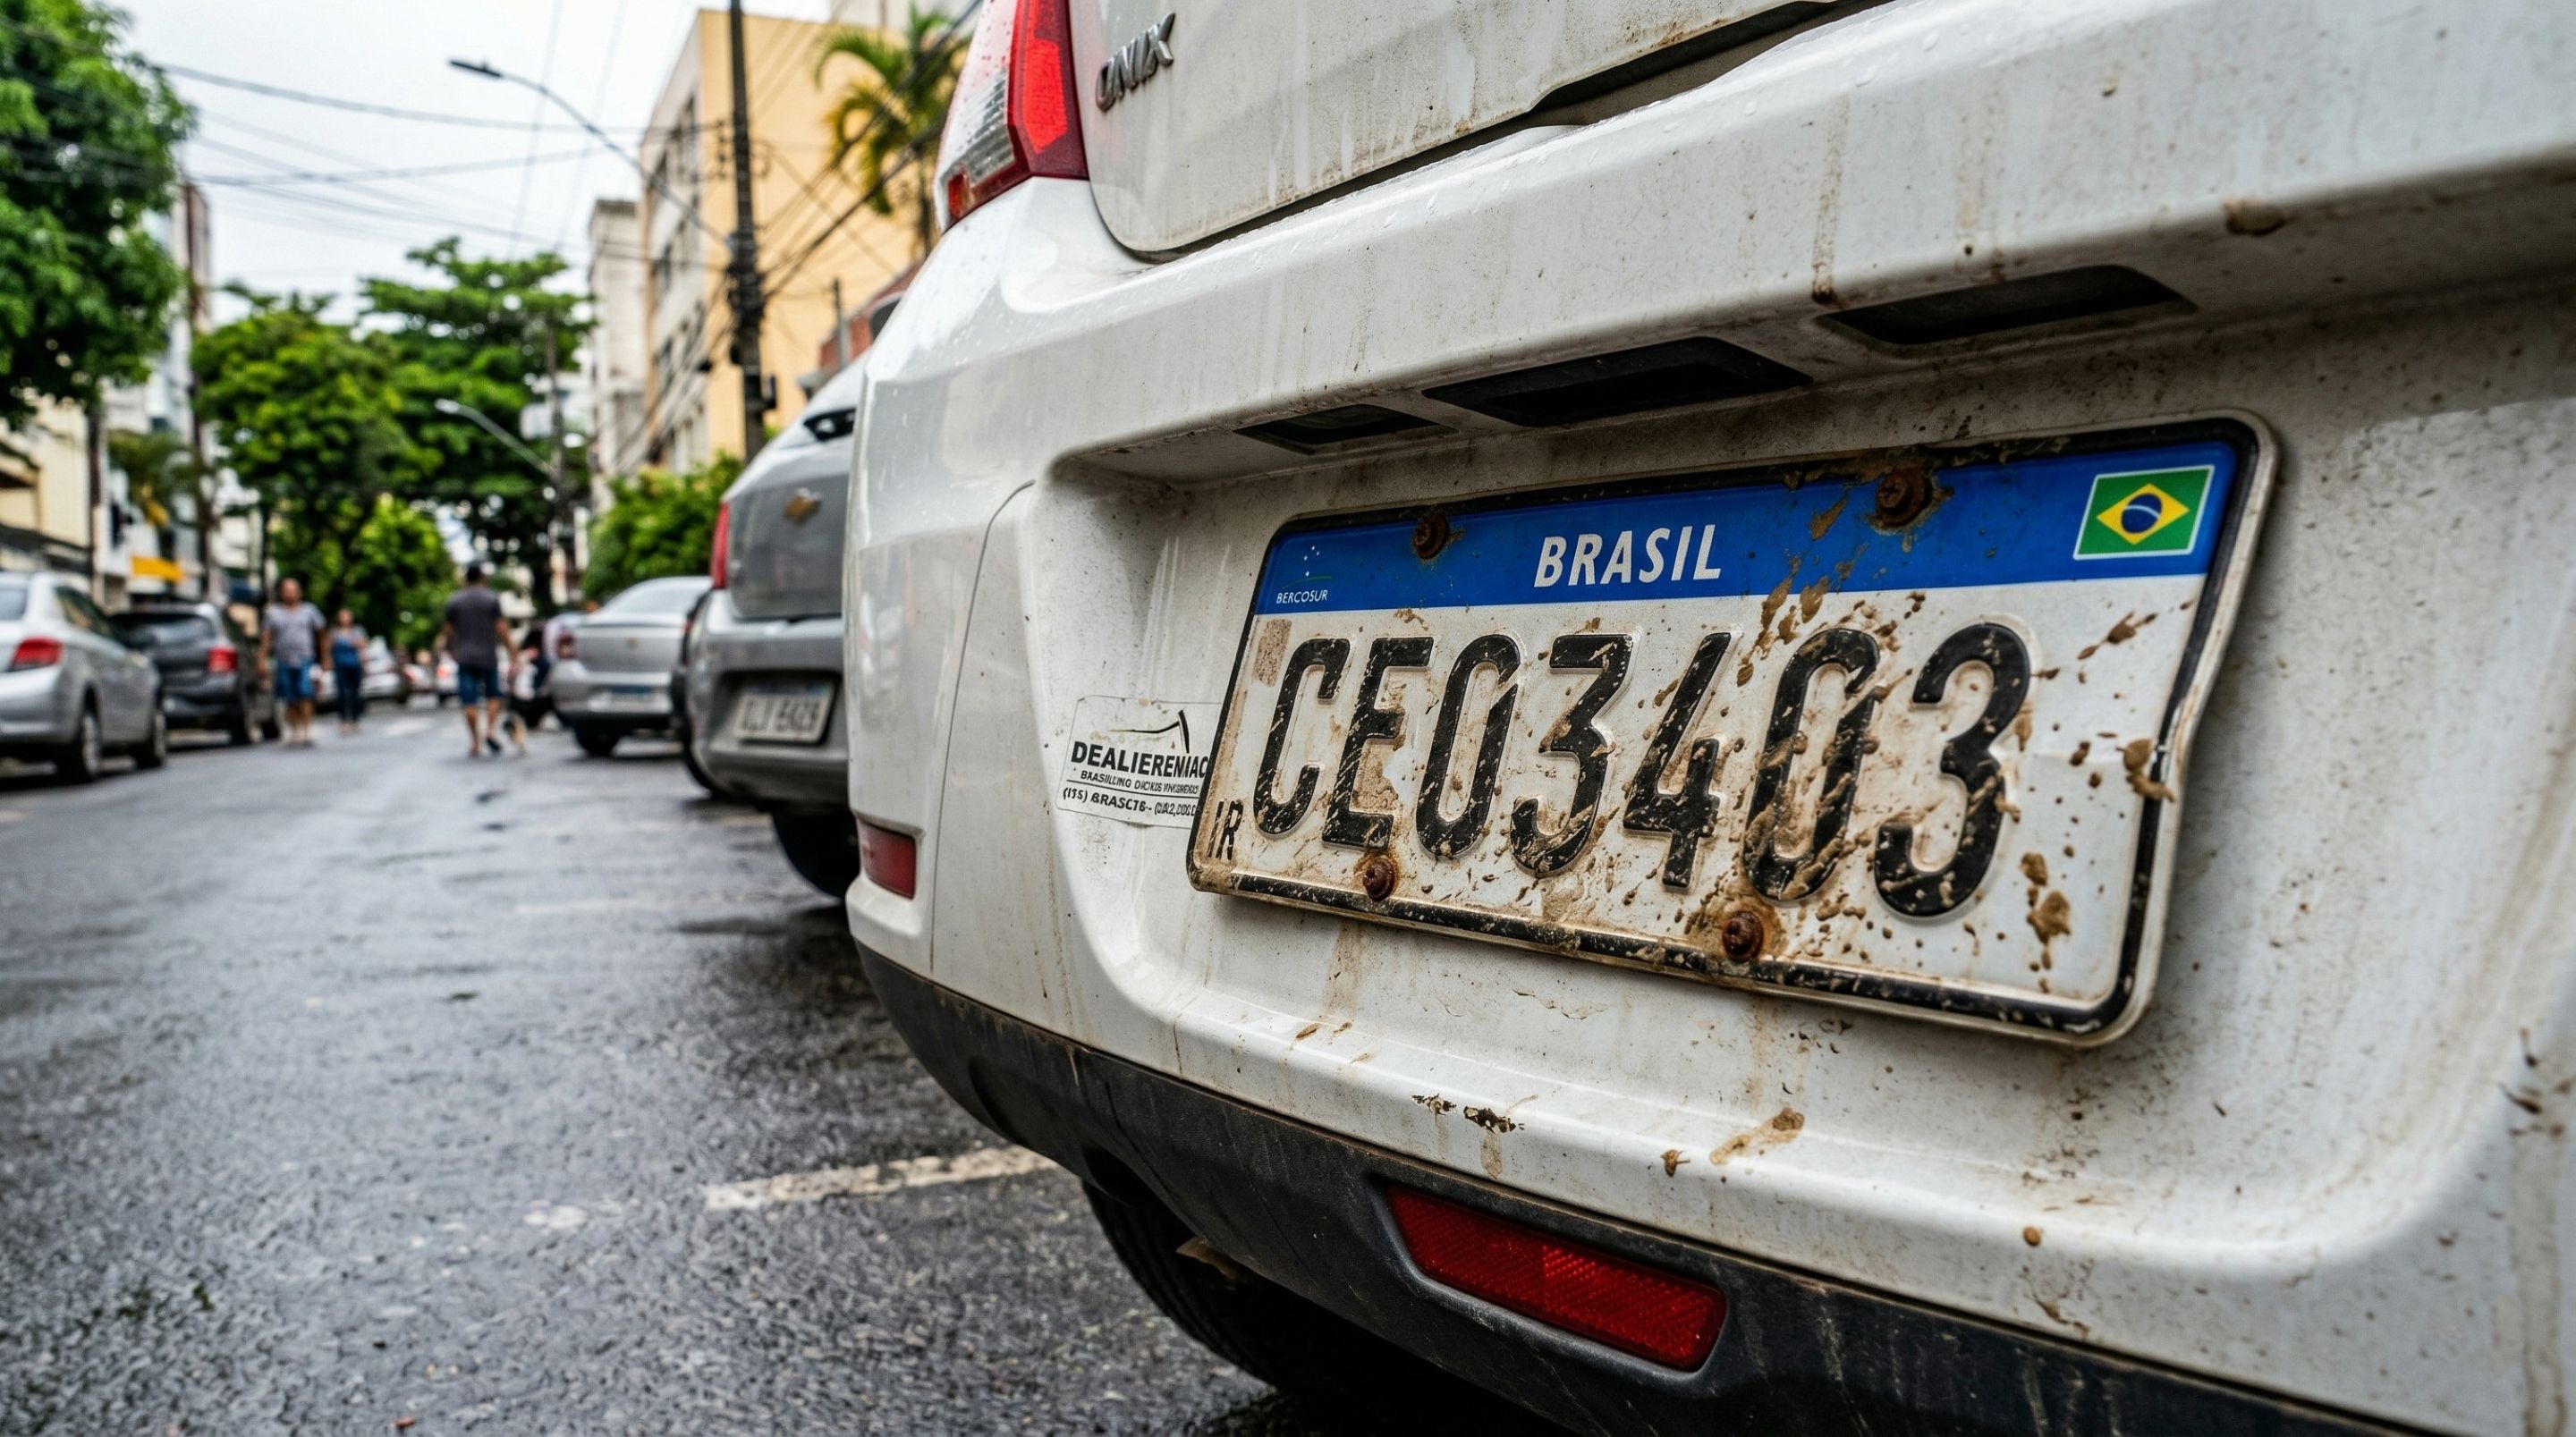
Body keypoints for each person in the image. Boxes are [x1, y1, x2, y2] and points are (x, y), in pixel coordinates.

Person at [440, 562, 514, 759]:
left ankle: (475, 741)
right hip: (488, 656)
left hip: (464, 656)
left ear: (465, 578)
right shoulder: (491, 599)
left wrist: (450, 648)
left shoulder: (454, 601)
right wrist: (513, 651)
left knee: (469, 701)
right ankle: (490, 730)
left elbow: (448, 631)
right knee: (493, 696)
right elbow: (502, 629)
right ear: (482, 577)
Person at [258, 578, 326, 748]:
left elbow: (321, 636)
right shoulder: (273, 613)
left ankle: (307, 730)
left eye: (293, 590)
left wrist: (325, 658)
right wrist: (262, 660)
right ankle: (295, 730)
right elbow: (266, 639)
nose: (290, 593)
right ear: (281, 593)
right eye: (287, 590)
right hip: (283, 660)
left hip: (306, 659)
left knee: (305, 694)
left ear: (299, 592)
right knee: (289, 698)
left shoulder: (310, 611)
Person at [327, 609, 369, 734]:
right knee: (342, 694)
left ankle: (355, 720)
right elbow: (329, 648)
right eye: (342, 616)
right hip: (340, 666)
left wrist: (364, 663)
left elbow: (363, 647)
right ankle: (344, 721)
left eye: (347, 616)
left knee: (355, 693)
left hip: (355, 665)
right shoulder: (334, 632)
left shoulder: (357, 631)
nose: (345, 619)